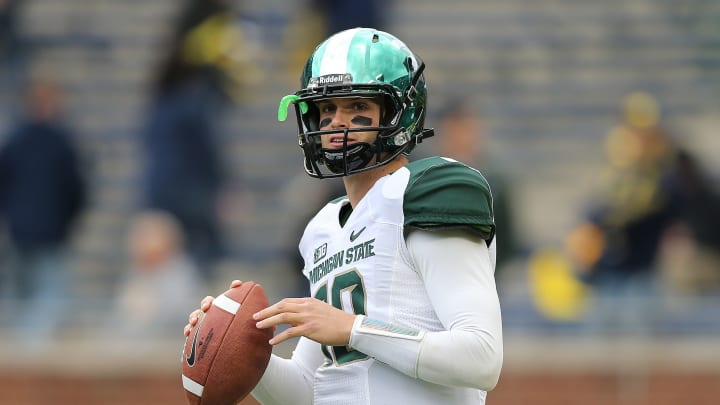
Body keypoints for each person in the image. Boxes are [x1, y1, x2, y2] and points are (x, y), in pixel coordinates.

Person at [184, 28, 503, 404]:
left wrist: (354, 329)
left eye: (357, 107)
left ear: (400, 112)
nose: (336, 121)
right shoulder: (322, 228)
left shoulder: (427, 191)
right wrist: (234, 344)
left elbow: (481, 357)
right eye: (327, 109)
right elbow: (311, 389)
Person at [0, 78, 86, 344]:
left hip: (23, 231)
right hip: (48, 232)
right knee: (48, 299)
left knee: (24, 299)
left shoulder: (16, 141)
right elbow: (76, 190)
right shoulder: (60, 142)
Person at [110, 211, 204, 339]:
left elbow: (182, 319)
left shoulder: (179, 275)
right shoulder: (135, 274)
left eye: (145, 237)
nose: (137, 244)